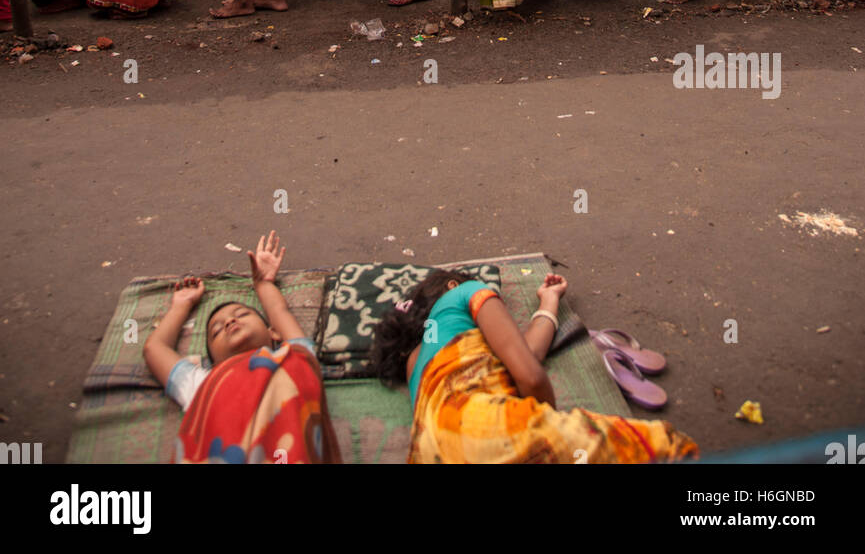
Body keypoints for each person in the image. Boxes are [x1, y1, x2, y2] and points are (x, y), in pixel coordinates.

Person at [371, 268, 697, 465]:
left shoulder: (417, 362)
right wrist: (546, 425)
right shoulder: (466, 293)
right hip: (486, 433)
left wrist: (549, 300)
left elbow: (528, 350)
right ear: (453, 284)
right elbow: (530, 373)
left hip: (432, 454)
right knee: (666, 448)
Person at [143, 232, 341, 465]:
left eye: (242, 314)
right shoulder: (203, 383)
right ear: (214, 363)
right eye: (216, 330)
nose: (229, 322)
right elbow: (154, 348)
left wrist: (263, 283)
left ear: (274, 332)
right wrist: (181, 306)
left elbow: (279, 312)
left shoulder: (296, 356)